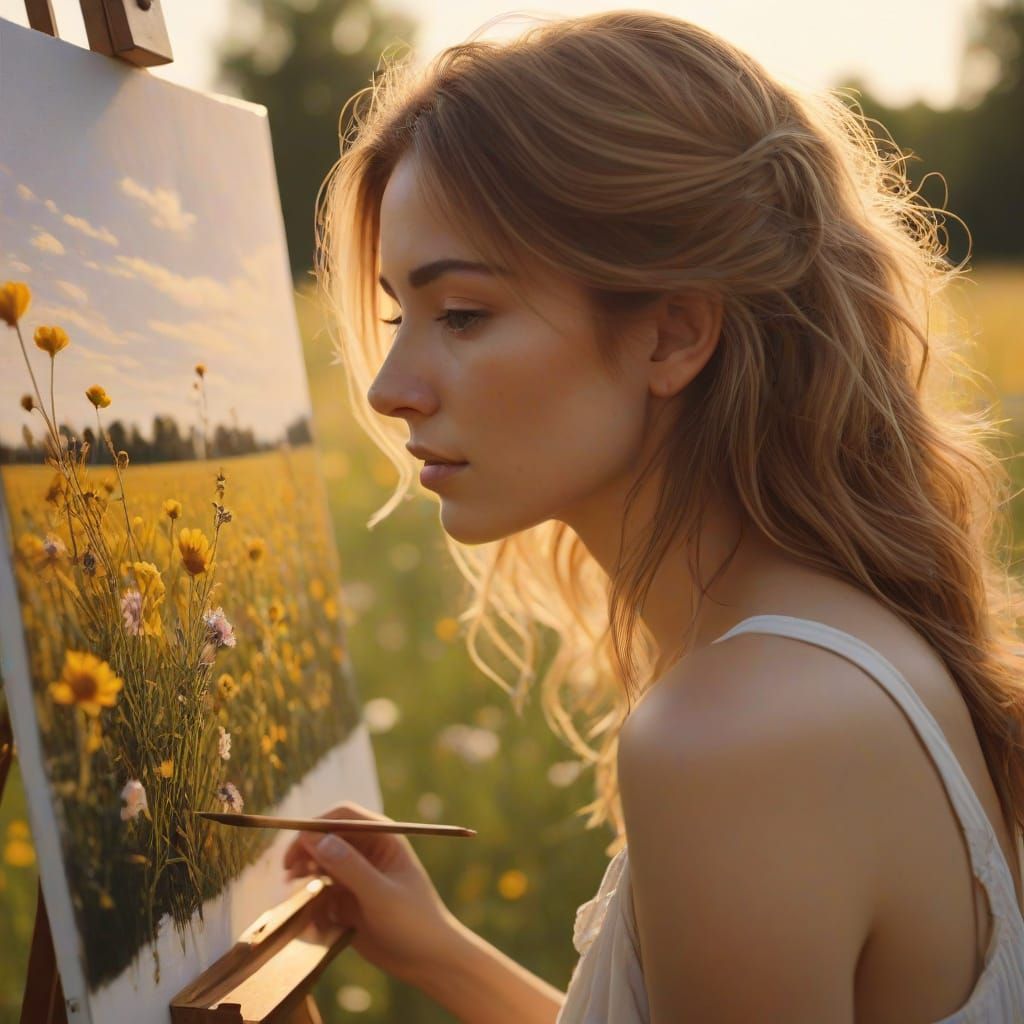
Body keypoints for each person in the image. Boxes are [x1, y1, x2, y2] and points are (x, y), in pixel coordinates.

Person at [282, 10, 1024, 1021]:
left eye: (460, 313)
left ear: (672, 333)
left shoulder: (739, 737)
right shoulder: (833, 651)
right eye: (393, 316)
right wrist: (443, 955)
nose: (390, 388)